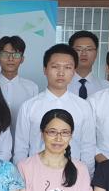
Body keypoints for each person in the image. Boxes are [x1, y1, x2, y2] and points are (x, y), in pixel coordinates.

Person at [14, 44, 97, 175]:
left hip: (73, 175)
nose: (61, 73)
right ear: (45, 70)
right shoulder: (29, 106)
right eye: (55, 67)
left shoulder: (83, 106)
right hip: (36, 175)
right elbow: (21, 148)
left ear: (74, 71)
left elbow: (88, 147)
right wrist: (21, 178)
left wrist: (86, 178)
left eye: (67, 67)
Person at [0, 35, 40, 135]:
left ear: (22, 59)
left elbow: (34, 121)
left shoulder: (32, 88)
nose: (10, 59)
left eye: (16, 55)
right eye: (5, 54)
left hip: (23, 143)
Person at [69, 30, 109, 100]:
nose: (84, 53)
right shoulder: (60, 86)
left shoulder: (107, 87)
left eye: (89, 49)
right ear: (70, 53)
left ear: (96, 53)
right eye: (78, 49)